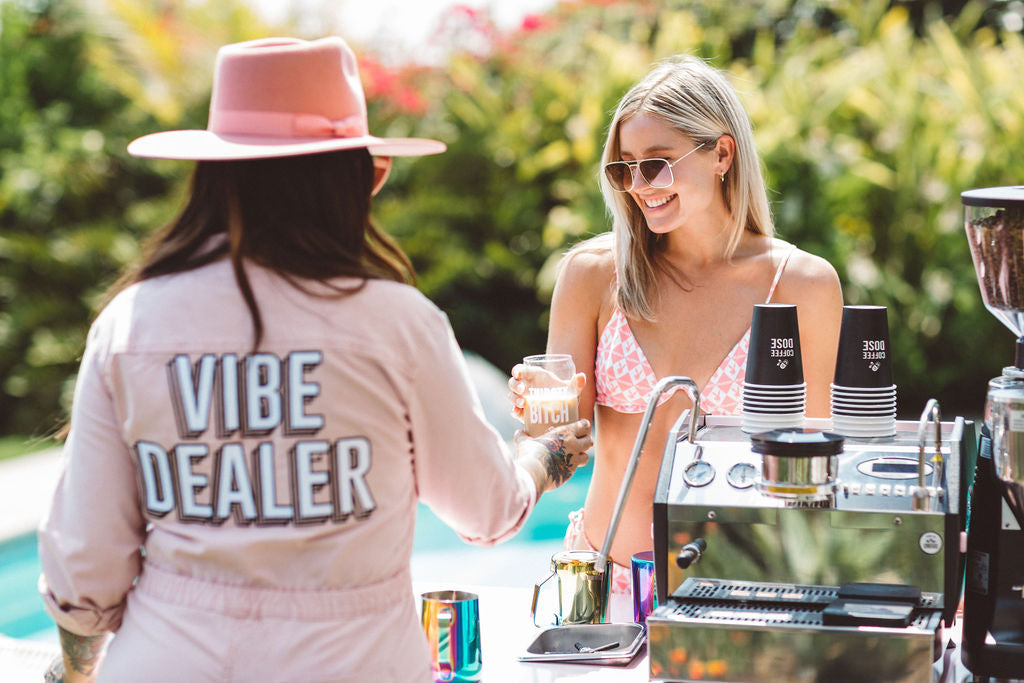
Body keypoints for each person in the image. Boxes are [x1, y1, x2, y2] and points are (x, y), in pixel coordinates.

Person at [37, 36, 592, 683]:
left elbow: (87, 560)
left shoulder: (127, 325)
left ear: (215, 177)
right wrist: (541, 457)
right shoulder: (403, 324)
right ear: (360, 177)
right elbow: (485, 508)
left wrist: (75, 671)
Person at [509, 55, 843, 620]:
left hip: (745, 591)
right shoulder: (592, 274)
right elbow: (566, 441)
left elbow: (816, 471)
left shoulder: (802, 285)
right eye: (625, 168)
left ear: (722, 153)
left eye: (657, 165)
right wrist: (537, 424)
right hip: (602, 585)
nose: (638, 186)